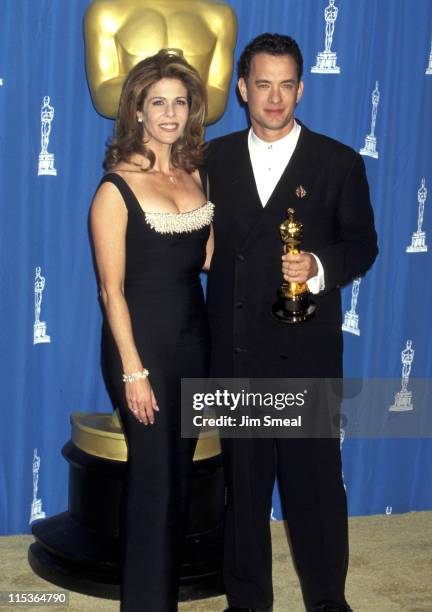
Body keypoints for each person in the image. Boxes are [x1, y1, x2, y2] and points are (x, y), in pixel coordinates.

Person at [206, 34, 378, 612]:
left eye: (286, 85)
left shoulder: (338, 162)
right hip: (235, 353)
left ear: (301, 88)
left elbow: (364, 245)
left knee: (315, 489)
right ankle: (246, 602)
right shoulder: (212, 159)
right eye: (262, 84)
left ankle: (329, 600)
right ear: (241, 89)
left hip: (307, 355)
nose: (274, 98)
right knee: (244, 490)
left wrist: (320, 266)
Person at [90, 49, 213, 612]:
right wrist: (133, 372)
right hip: (142, 355)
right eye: (157, 102)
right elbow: (111, 292)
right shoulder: (115, 189)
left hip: (194, 344)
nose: (169, 114)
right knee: (154, 487)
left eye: (179, 103)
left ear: (193, 110)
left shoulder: (196, 175)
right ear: (136, 111)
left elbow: (207, 258)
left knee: (180, 483)